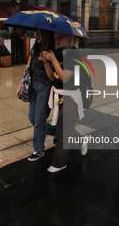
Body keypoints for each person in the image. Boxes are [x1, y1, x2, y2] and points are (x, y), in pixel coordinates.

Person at [42, 32, 87, 173]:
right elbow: (52, 77)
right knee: (64, 127)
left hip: (71, 97)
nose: (57, 39)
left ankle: (59, 163)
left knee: (63, 131)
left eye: (61, 37)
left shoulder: (74, 54)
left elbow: (65, 78)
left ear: (70, 38)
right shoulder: (58, 53)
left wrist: (54, 61)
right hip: (59, 96)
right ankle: (81, 140)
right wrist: (45, 62)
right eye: (56, 37)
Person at [16, 29, 55, 161]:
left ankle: (38, 149)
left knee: (39, 120)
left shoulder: (51, 51)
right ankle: (55, 131)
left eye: (40, 34)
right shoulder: (34, 47)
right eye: (36, 33)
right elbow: (28, 67)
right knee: (32, 118)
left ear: (46, 35)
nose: (37, 36)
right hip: (33, 86)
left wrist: (45, 62)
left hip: (46, 87)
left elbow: (52, 78)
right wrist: (21, 84)